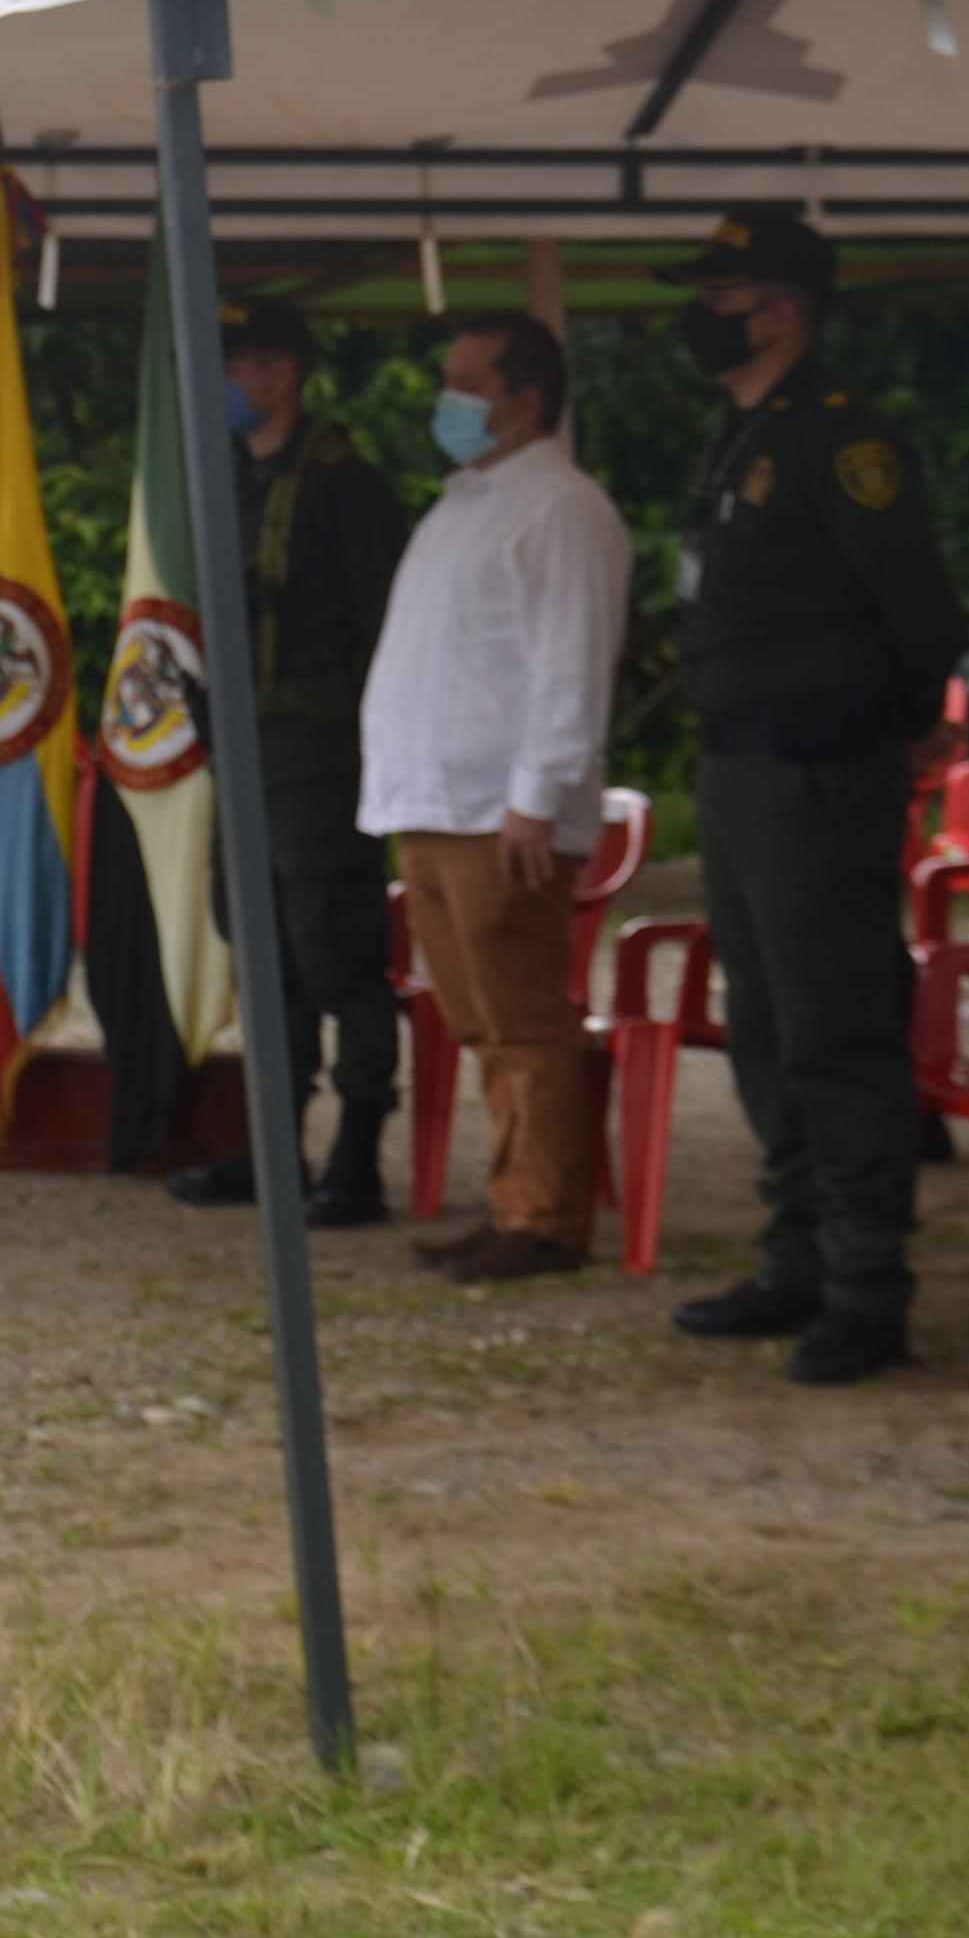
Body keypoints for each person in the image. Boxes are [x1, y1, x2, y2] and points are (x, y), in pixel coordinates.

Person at [666, 210, 968, 1386]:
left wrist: (884, 738)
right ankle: (793, 1258)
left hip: (815, 766)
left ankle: (863, 1286)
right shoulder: (742, 432)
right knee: (766, 1028)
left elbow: (914, 606)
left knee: (836, 1029)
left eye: (721, 293)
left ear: (780, 307)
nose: (699, 314)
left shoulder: (841, 439)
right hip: (742, 765)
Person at [357, 311, 628, 1286]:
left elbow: (569, 663)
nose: (447, 400)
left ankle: (545, 1216)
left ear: (522, 400)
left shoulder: (558, 506)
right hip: (431, 802)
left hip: (494, 810)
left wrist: (534, 796)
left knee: (520, 1019)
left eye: (465, 383)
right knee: (477, 1020)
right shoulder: (464, 502)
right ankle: (513, 1198)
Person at [169, 301, 411, 1226]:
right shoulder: (226, 476)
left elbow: (380, 624)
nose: (232, 381)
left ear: (284, 373)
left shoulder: (344, 485)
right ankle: (275, 1147)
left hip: (321, 757)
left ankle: (357, 1157)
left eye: (246, 364)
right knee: (262, 953)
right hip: (245, 750)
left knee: (337, 955)